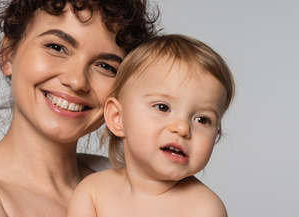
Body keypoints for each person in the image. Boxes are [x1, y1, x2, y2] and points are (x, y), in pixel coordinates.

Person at [0, 0, 157, 216]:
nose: (76, 80)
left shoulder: (124, 180)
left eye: (105, 66)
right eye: (57, 47)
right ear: (8, 54)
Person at [66, 34, 234, 217]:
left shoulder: (204, 208)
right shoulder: (93, 191)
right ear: (117, 117)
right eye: (163, 107)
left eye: (202, 119)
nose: (182, 128)